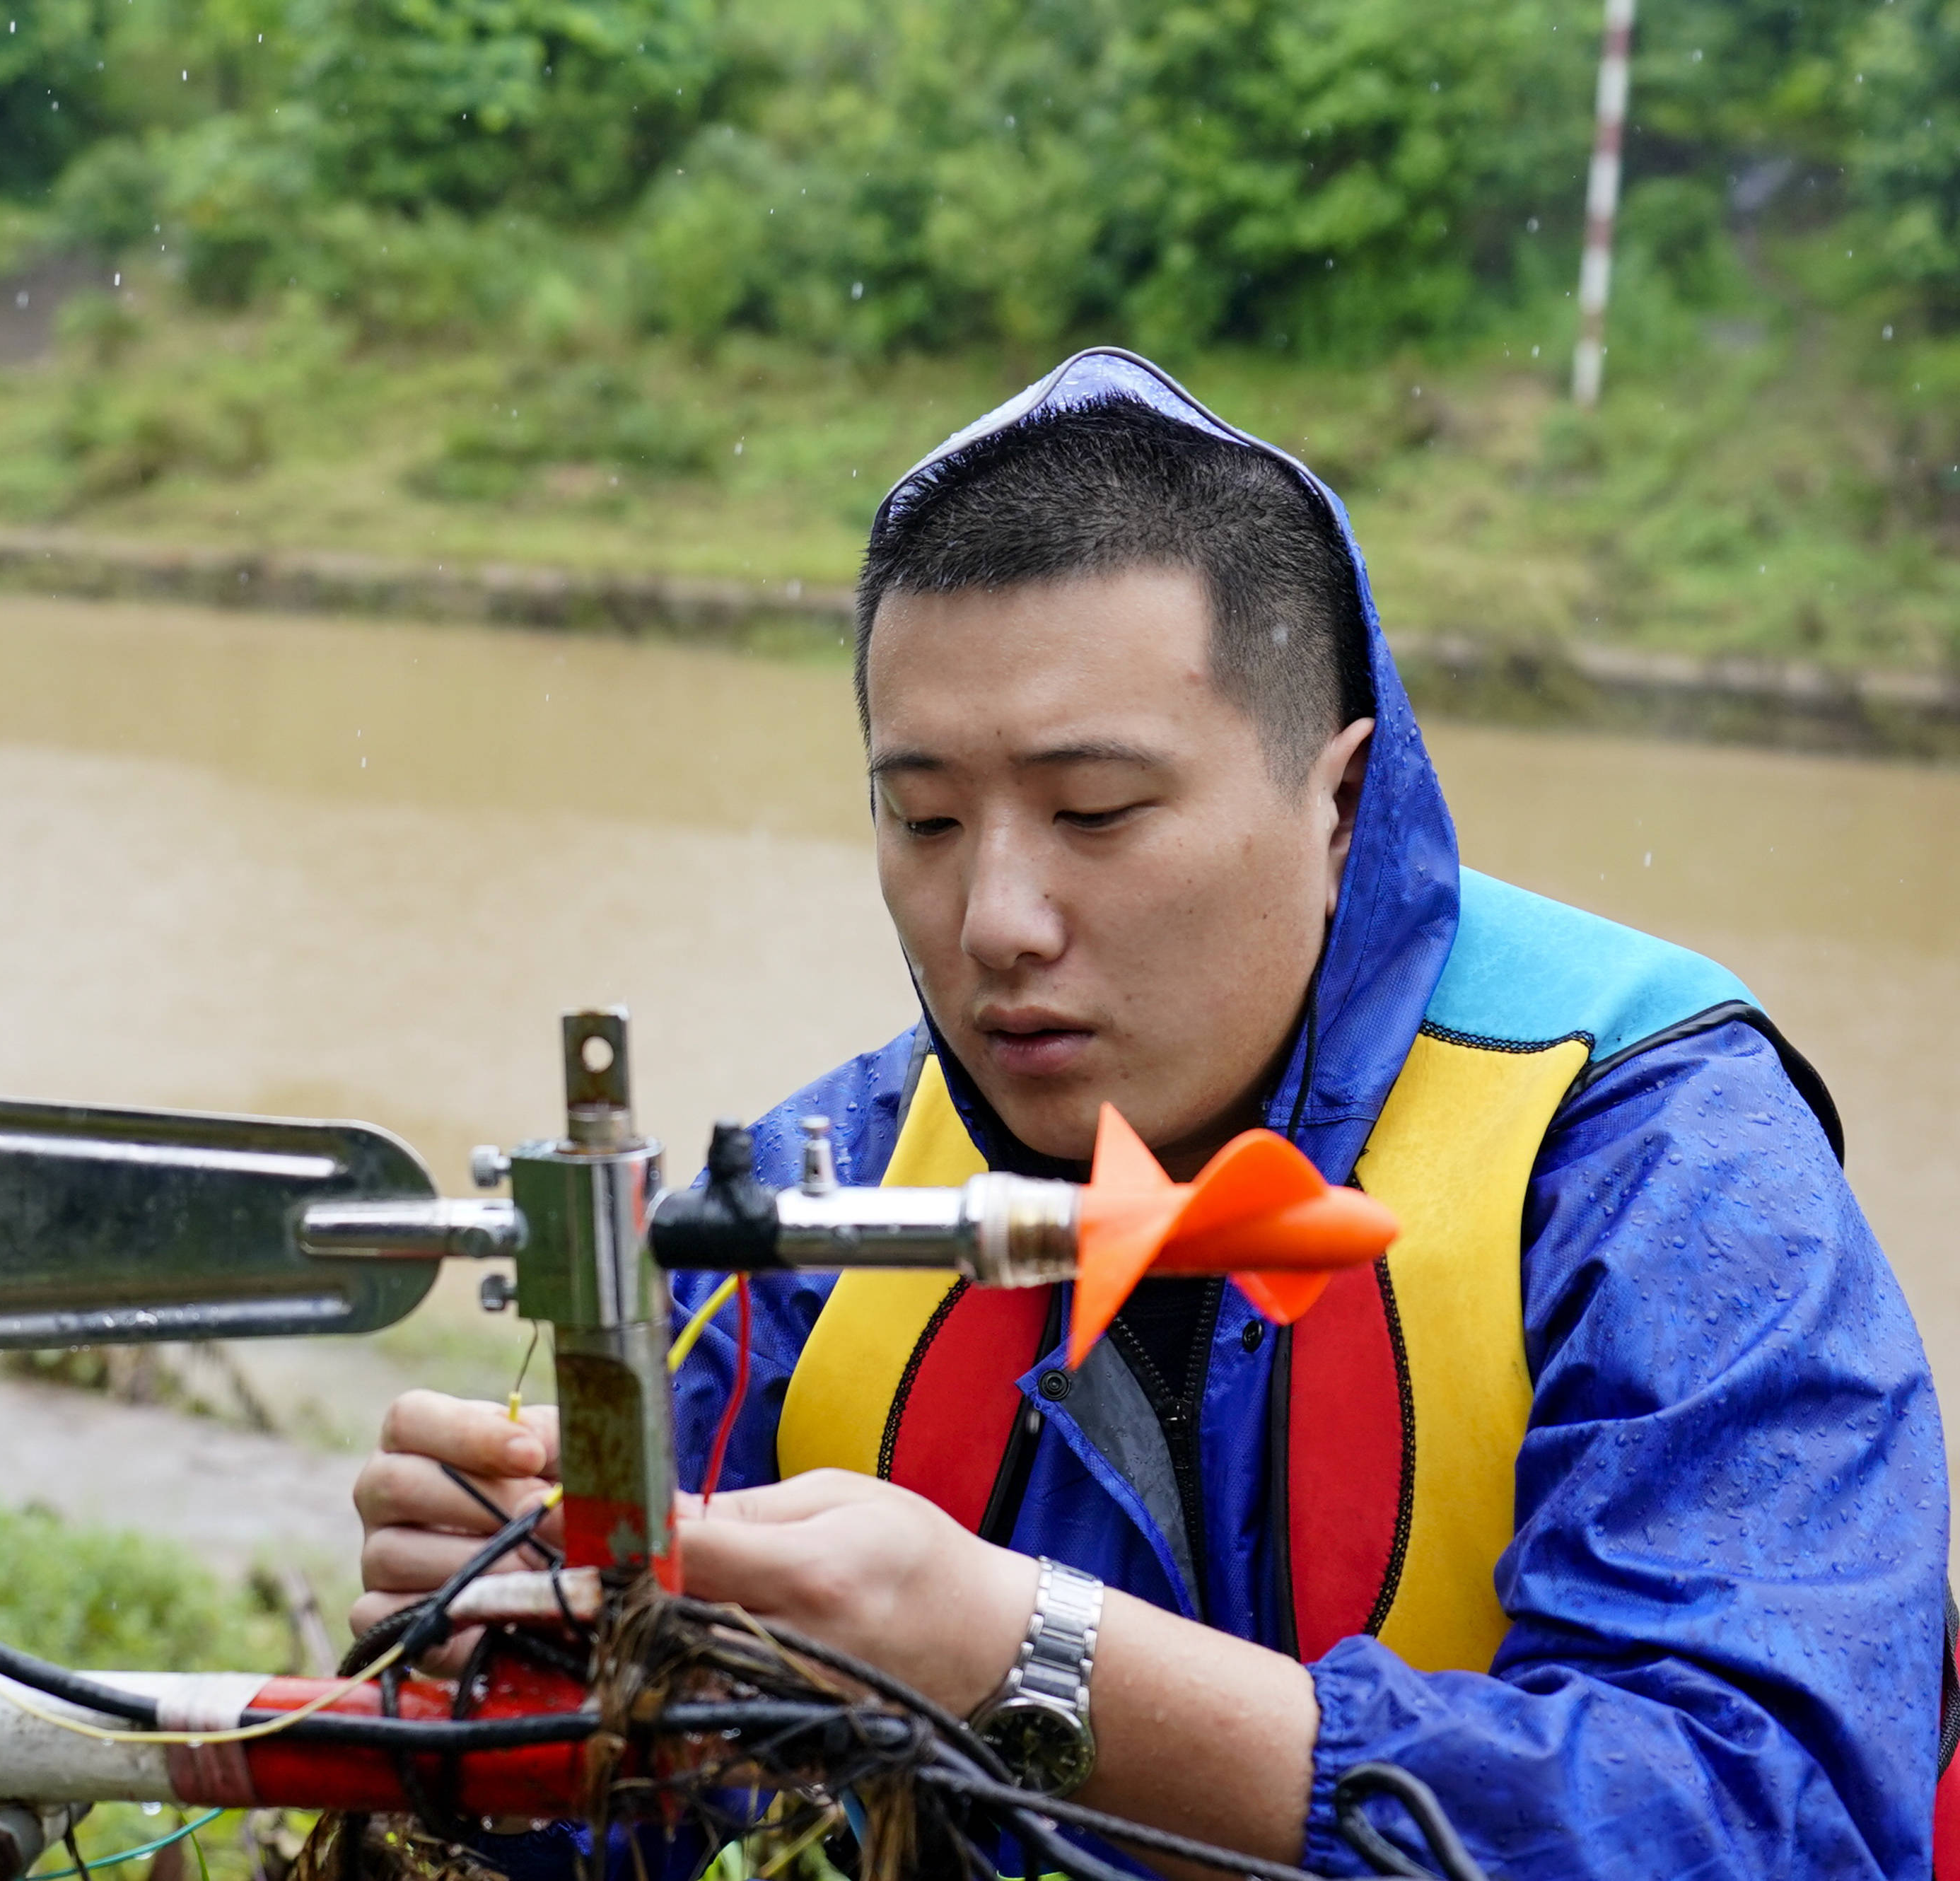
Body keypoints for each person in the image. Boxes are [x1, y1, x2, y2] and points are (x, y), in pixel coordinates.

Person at [350, 349, 1952, 1877]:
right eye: (919, 818)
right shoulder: (797, 1211)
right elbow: (627, 1821)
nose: (993, 920)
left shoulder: (1653, 1156)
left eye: (1093, 811)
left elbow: (1768, 1821)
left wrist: (1023, 1658)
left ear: (1337, 803)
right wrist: (504, 1673)